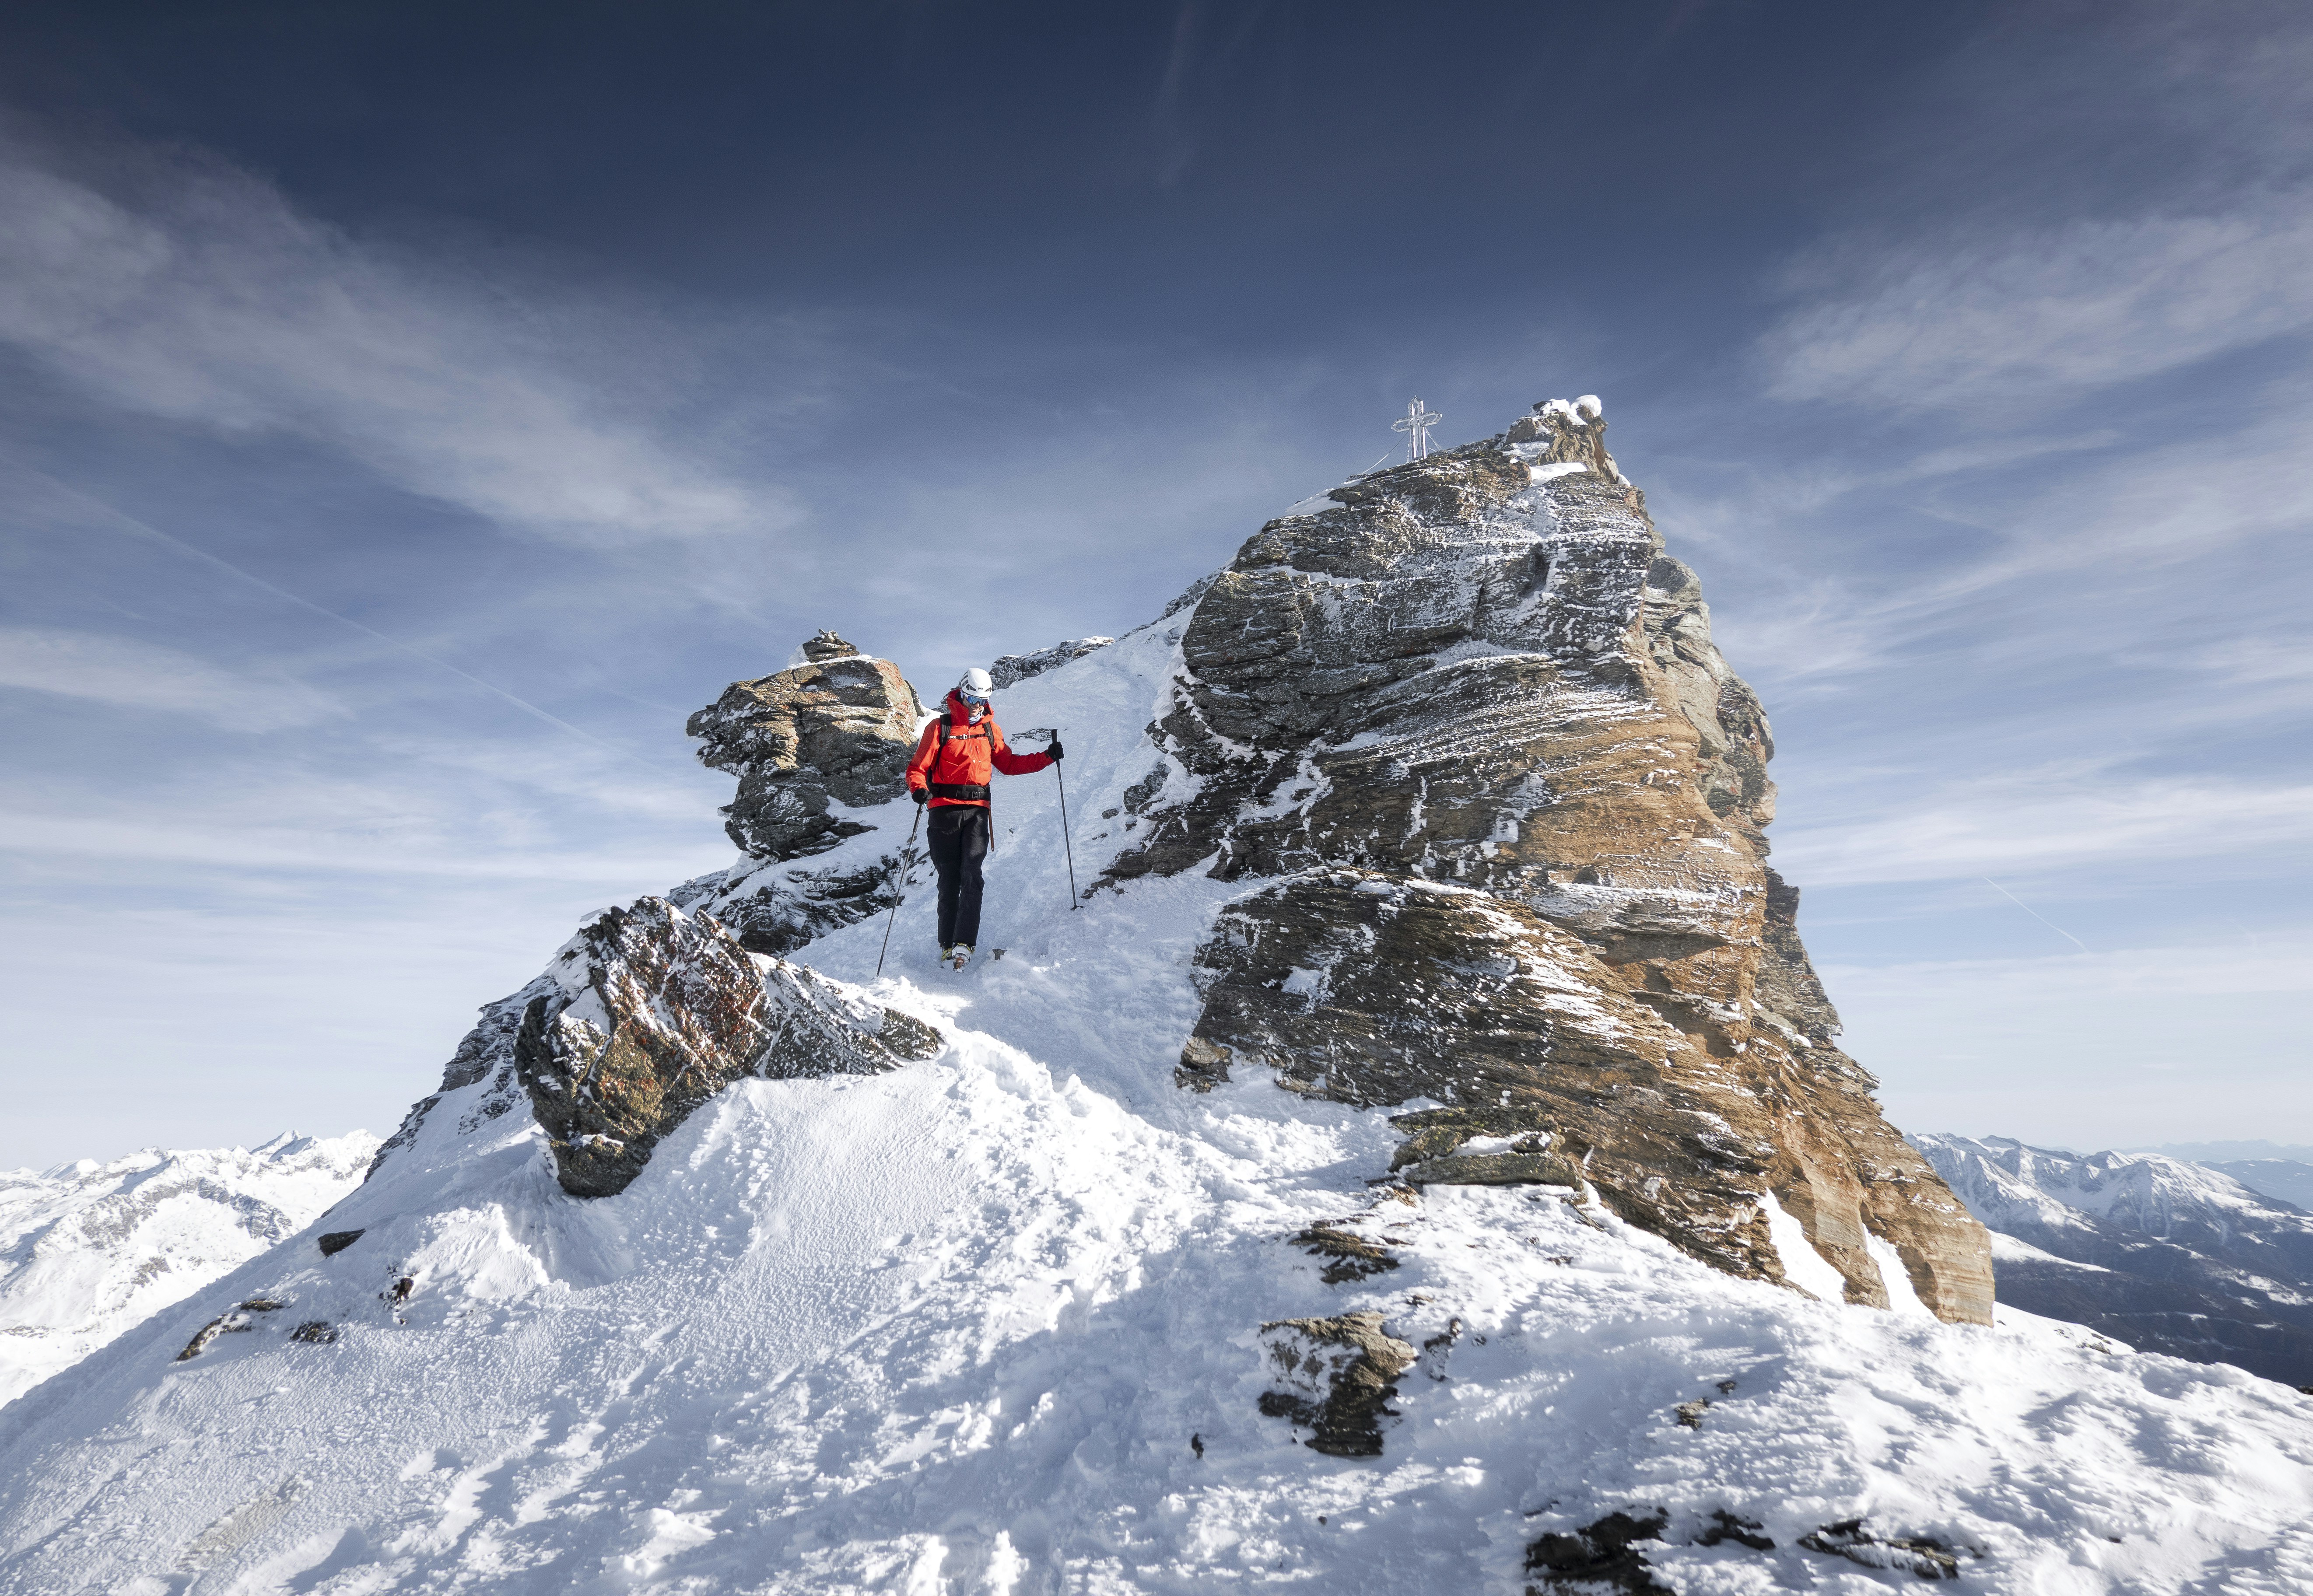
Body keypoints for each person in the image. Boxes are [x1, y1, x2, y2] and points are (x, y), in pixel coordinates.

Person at [906, 667, 1062, 970]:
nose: (976, 705)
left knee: (972, 876)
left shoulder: (991, 730)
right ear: (961, 693)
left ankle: (965, 942)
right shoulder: (941, 728)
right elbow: (917, 768)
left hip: (977, 812)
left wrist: (1047, 757)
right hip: (944, 813)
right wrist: (919, 790)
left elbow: (1011, 764)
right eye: (971, 698)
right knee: (949, 880)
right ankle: (947, 944)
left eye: (981, 699)